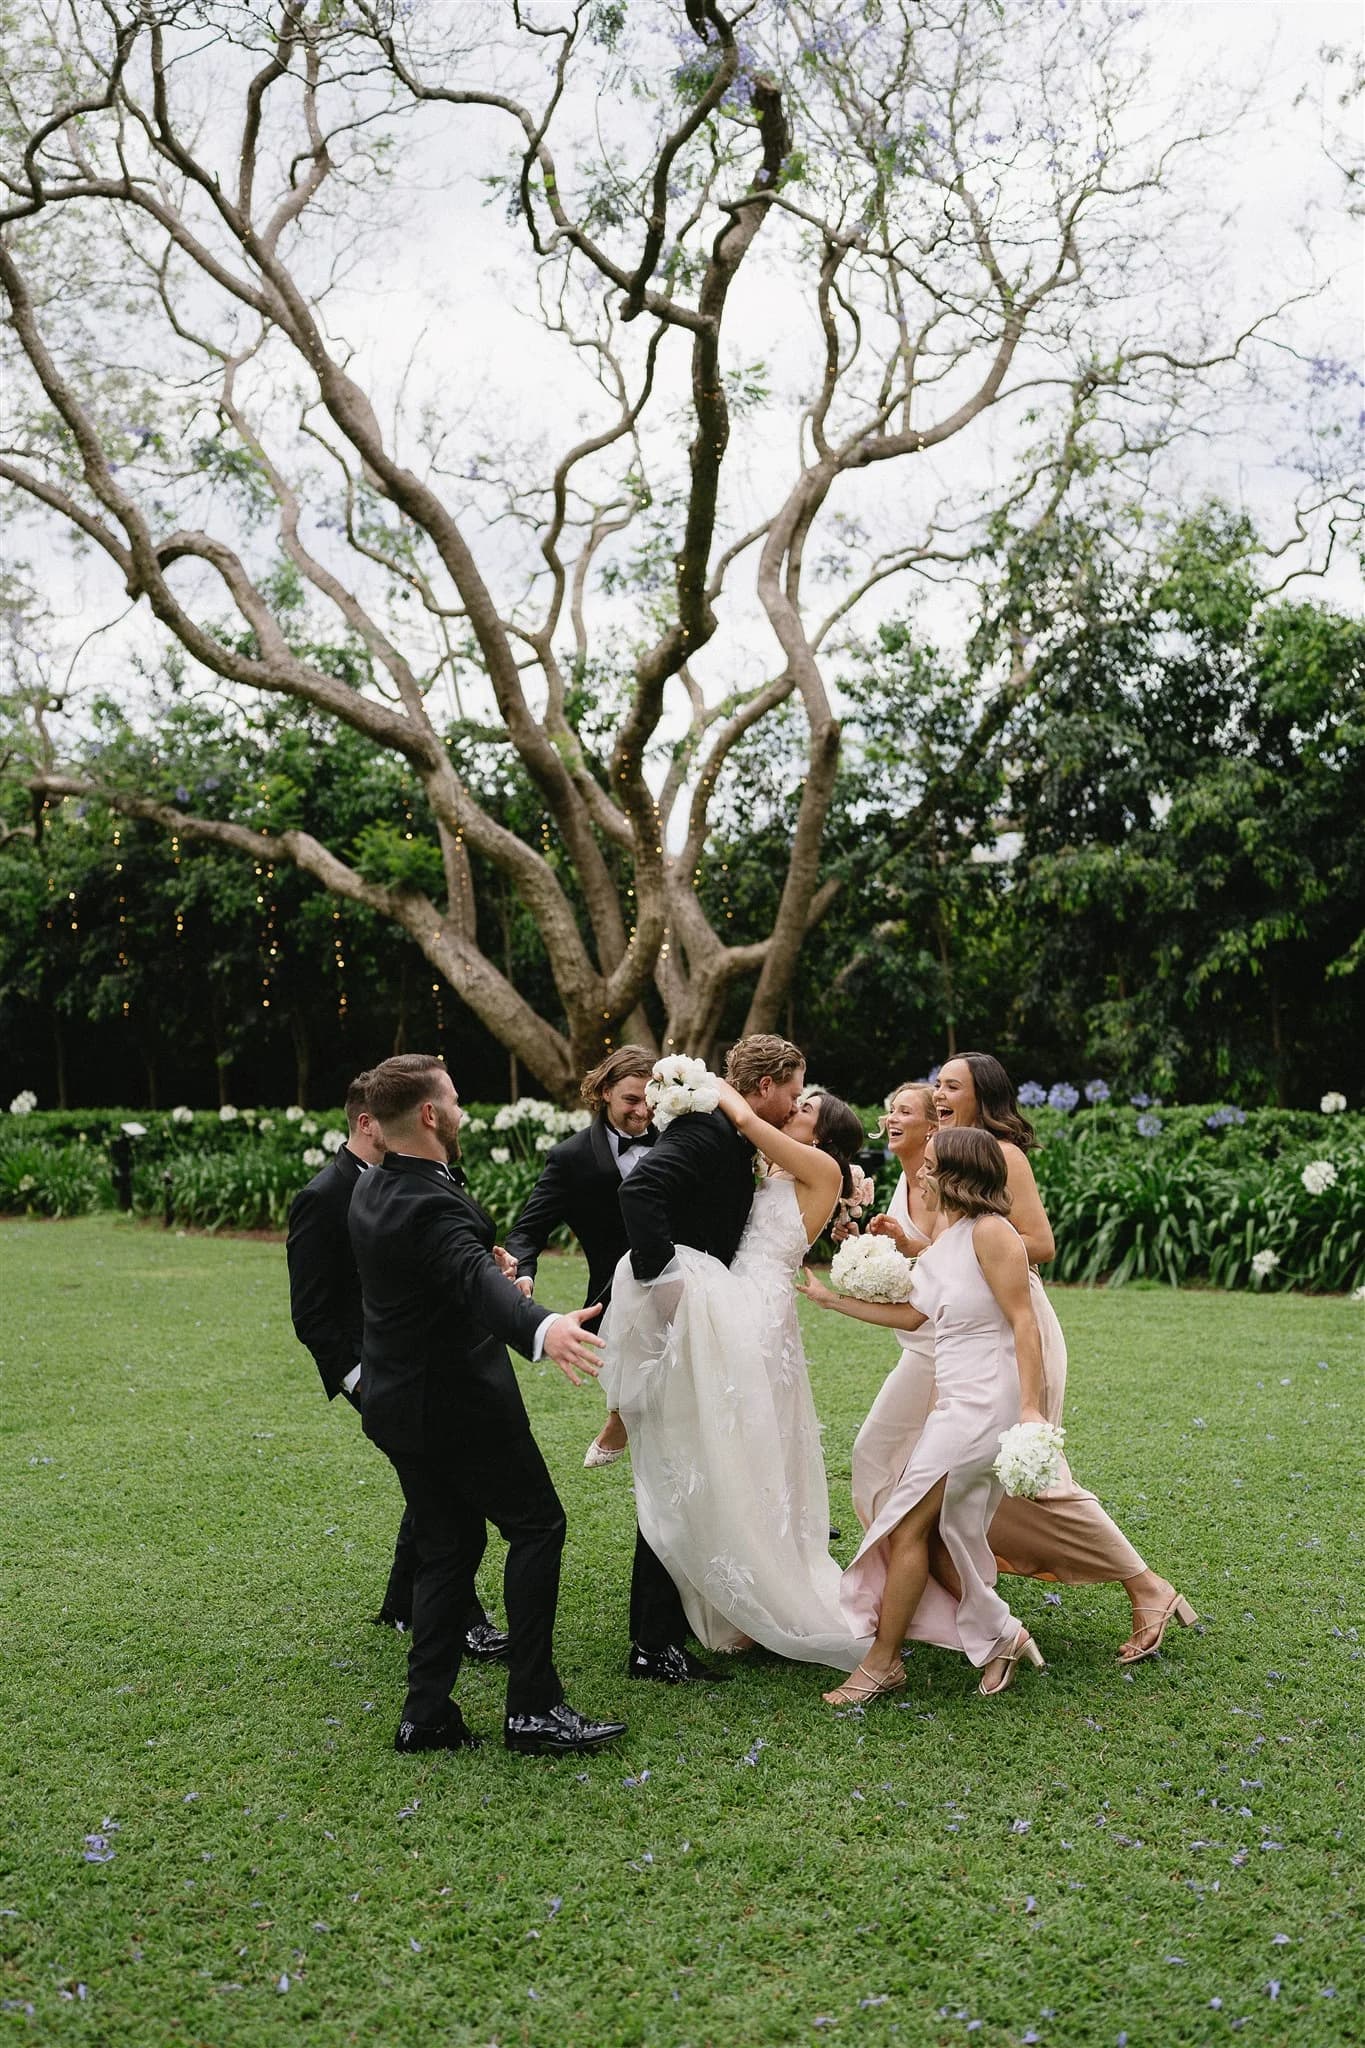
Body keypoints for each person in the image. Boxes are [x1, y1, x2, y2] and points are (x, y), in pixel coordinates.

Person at [348, 1053, 626, 1757]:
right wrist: (542, 1327)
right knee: (537, 1527)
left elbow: (449, 1270)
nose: (464, 1111)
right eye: (457, 1100)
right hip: (458, 1409)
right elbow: (464, 1271)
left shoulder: (376, 1187)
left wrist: (490, 1271)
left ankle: (426, 1715)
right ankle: (533, 1708)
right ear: (432, 1115)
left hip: (397, 1406)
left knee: (448, 1546)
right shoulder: (430, 1200)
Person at [877, 1052, 1195, 1665]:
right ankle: (960, 1600)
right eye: (935, 1084)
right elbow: (946, 1250)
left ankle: (1146, 1587)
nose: (938, 1094)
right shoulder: (942, 1154)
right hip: (955, 1330)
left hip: (1010, 1323)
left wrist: (975, 1244)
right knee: (960, 1478)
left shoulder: (999, 1156)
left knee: (1036, 1480)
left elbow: (1040, 1245)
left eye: (951, 1086)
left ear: (980, 1096)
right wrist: (911, 1248)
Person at [607, 1038, 873, 1677]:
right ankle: (690, 1609)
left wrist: (711, 1088)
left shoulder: (815, 1168)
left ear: (821, 1131)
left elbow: (752, 1120)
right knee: (716, 1459)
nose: (798, 1104)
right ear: (772, 1083)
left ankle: (724, 1598)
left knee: (730, 1457)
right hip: (731, 1306)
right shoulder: (759, 1160)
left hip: (754, 1315)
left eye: (808, 1102)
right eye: (797, 1091)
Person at [801, 1127, 1047, 1702]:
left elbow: (1025, 1322)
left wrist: (1031, 1409)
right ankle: (1000, 1634)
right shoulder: (948, 1236)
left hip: (986, 1403)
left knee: (906, 1522)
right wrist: (831, 1300)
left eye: (930, 1167)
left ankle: (883, 1663)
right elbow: (914, 1318)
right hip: (954, 1400)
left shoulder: (992, 1233)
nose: (920, 1176)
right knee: (934, 1531)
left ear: (958, 1175)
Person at [285, 1071, 508, 1660]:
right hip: (381, 1374)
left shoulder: (409, 1180)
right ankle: (463, 1620)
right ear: (368, 1124)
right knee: (449, 1501)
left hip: (429, 1364)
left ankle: (401, 1603)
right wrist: (360, 1381)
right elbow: (311, 1314)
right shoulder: (323, 1197)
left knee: (431, 1489)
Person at [504, 1045, 656, 1469]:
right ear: (605, 1091)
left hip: (688, 1295)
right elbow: (527, 1231)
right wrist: (522, 1270)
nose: (643, 1111)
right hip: (617, 1306)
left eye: (650, 1099)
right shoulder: (570, 1159)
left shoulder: (679, 1141)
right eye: (631, 1099)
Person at [844, 1082, 939, 1532]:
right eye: (890, 1111)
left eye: (905, 1111)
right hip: (921, 1343)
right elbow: (910, 1261)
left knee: (882, 1450)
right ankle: (887, 1551)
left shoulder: (945, 1182)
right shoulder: (904, 1178)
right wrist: (867, 1253)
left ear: (933, 1126)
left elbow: (956, 1256)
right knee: (879, 1452)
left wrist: (904, 1243)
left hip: (950, 1345)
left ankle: (900, 1555)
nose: (892, 1120)